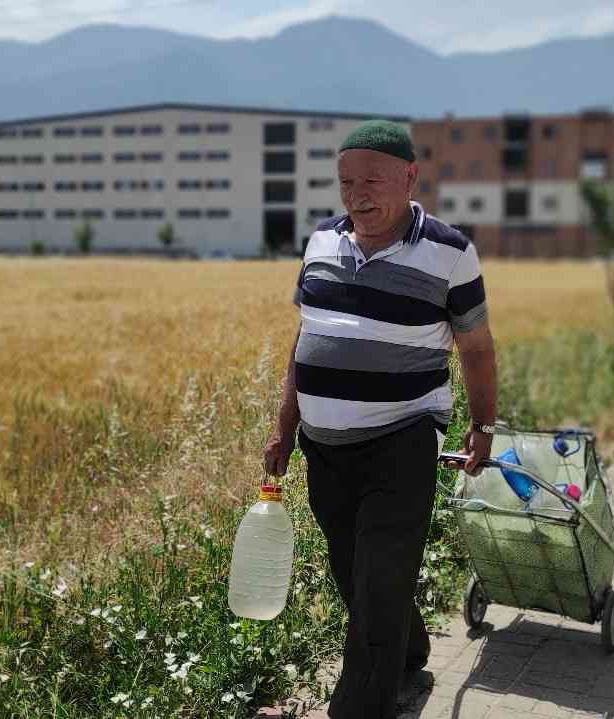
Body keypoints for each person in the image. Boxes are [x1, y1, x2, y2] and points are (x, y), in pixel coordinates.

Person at [262, 120, 498, 719]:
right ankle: (410, 647)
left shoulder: (450, 252)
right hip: (325, 446)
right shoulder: (321, 241)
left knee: (378, 582)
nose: (357, 193)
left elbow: (475, 347)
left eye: (372, 179)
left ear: (410, 177)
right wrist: (285, 426)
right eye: (346, 182)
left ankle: (360, 707)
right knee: (356, 574)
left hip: (404, 440)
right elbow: (306, 337)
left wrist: (485, 426)